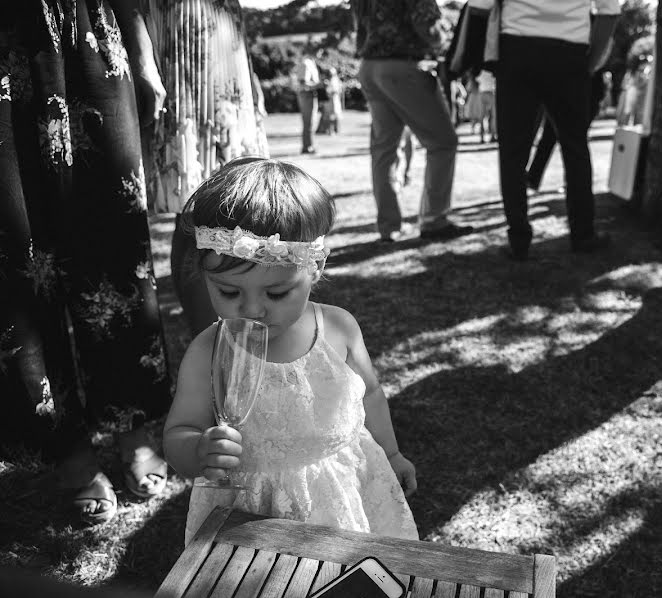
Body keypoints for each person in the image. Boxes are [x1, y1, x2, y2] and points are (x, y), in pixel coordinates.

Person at [163, 158, 419, 545]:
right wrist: (198, 449)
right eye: (228, 292)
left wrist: (393, 453)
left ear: (314, 268)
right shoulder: (210, 351)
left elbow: (370, 394)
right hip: (253, 510)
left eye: (277, 292)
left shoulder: (338, 328)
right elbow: (179, 431)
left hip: (342, 487)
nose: (252, 309)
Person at [0, 0, 171, 524]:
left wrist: (144, 57)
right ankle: (66, 446)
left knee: (115, 244)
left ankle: (132, 424)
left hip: (87, 35)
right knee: (16, 252)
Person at [141, 0, 270, 337]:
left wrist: (249, 72)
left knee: (232, 205)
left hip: (226, 55)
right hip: (182, 43)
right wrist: (142, 56)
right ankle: (210, 337)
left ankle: (232, 329)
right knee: (196, 210)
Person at [496, 0, 612, 261]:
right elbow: (610, 10)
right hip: (569, 51)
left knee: (513, 151)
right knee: (575, 147)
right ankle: (583, 235)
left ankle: (518, 239)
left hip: (517, 47)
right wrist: (590, 62)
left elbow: (481, 6)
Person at [351, 0, 473, 242]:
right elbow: (427, 27)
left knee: (384, 150)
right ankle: (434, 220)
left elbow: (360, 28)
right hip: (403, 67)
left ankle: (389, 227)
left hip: (370, 67)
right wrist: (444, 37)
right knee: (443, 143)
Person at [526, 1, 621, 192]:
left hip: (586, 85)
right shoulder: (572, 26)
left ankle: (557, 181)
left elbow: (603, 54)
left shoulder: (595, 24)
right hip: (572, 83)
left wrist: (588, 67)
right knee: (556, 137)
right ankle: (535, 178)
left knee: (570, 140)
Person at [295, 48, 321, 154]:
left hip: (311, 94)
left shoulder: (312, 63)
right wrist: (318, 85)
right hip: (306, 94)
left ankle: (309, 145)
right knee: (308, 122)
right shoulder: (306, 63)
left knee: (311, 122)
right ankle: (307, 146)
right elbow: (303, 82)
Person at [316, 67, 344, 135]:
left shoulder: (336, 81)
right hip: (328, 101)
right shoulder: (326, 81)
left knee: (335, 115)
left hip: (335, 100)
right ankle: (328, 130)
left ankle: (335, 130)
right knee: (328, 116)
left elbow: (338, 90)